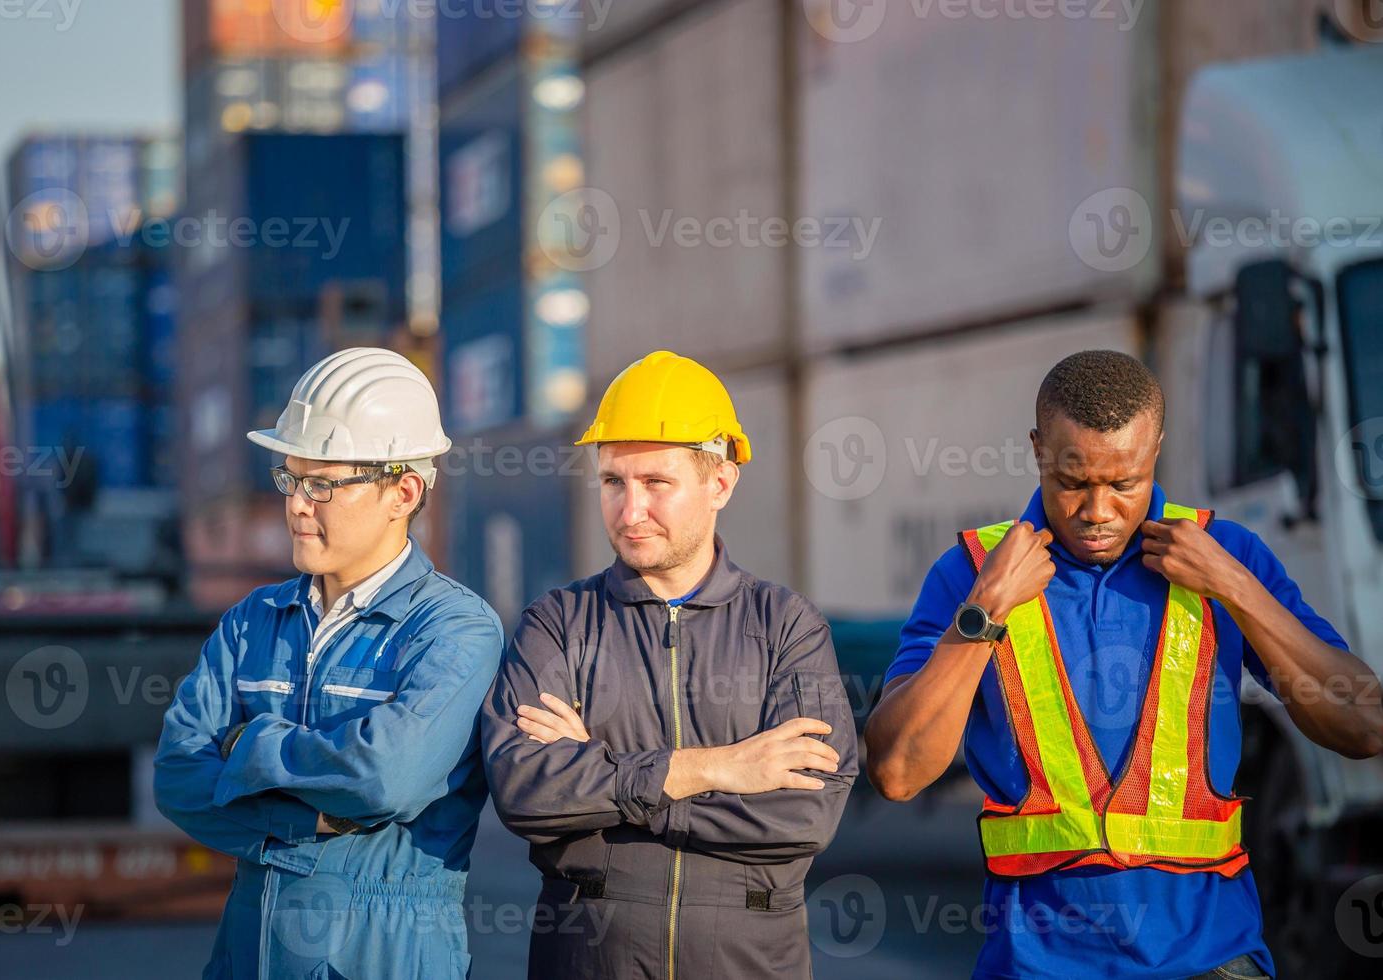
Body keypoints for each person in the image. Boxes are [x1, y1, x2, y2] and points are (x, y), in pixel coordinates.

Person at [865, 349, 1383, 979]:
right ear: (1036, 449)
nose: (1098, 511)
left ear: (1156, 450)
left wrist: (1239, 591)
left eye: (1123, 483)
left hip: (1212, 961)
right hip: (1037, 967)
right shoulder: (973, 574)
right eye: (1073, 482)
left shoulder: (1226, 553)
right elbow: (895, 772)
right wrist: (984, 610)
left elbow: (1364, 726)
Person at [481, 349, 858, 979]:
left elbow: (805, 816)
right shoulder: (558, 623)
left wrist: (606, 781)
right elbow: (525, 793)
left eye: (657, 483)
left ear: (721, 483)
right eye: (613, 482)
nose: (630, 511)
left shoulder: (787, 626)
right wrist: (718, 769)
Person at [154, 347, 503, 979]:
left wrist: (245, 746)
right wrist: (298, 814)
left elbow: (383, 779)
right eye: (290, 479)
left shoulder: (455, 630)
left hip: (386, 950)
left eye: (323, 485)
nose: (295, 504)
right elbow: (177, 774)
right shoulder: (254, 619)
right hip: (246, 951)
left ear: (404, 491)